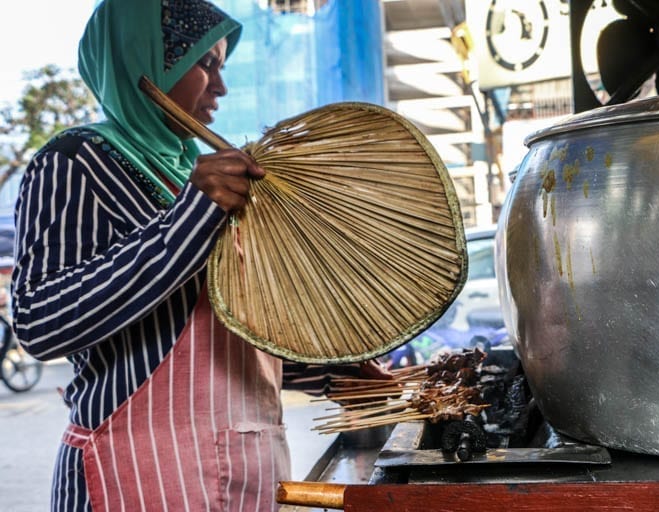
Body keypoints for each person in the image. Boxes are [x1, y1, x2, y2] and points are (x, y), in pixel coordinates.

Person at [11, 1, 389, 510]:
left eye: (222, 66)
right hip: (138, 479)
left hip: (245, 471)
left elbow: (217, 333)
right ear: (148, 63)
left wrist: (330, 372)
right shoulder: (77, 161)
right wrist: (191, 217)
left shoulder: (198, 172)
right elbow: (40, 321)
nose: (220, 86)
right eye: (204, 63)